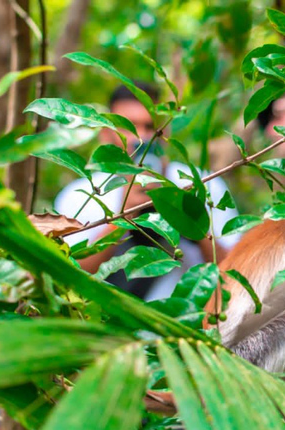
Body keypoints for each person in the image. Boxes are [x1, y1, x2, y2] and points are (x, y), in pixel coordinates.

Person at [55, 82, 241, 301]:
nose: (140, 138)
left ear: (165, 132)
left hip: (188, 325)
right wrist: (119, 219)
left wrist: (193, 224)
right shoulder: (79, 195)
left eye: (150, 126)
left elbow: (236, 273)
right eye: (129, 127)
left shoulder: (203, 184)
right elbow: (68, 277)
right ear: (106, 134)